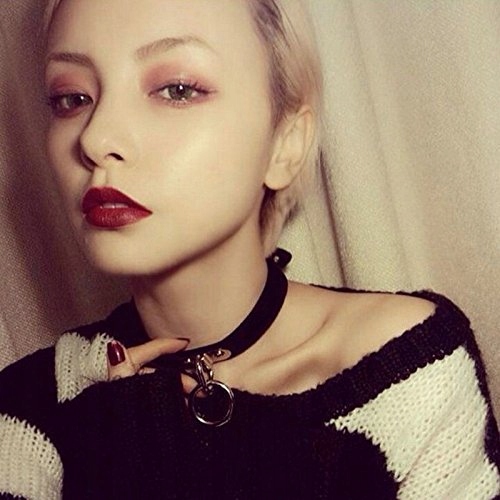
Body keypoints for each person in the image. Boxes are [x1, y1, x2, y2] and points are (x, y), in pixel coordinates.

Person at [0, 0, 499, 498]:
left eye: (177, 89)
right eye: (71, 98)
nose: (95, 138)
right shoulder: (29, 407)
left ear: (285, 143)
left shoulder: (407, 371)